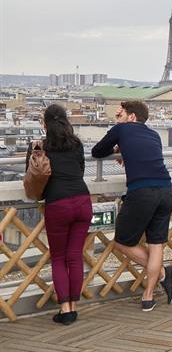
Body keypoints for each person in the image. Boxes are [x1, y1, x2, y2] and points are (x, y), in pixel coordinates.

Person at [92, 101, 172, 312]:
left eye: (122, 114)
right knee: (156, 243)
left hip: (142, 191)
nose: (119, 117)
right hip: (165, 189)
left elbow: (97, 151)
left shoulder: (122, 128)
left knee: (122, 240)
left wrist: (117, 130)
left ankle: (163, 274)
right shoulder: (154, 135)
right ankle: (148, 297)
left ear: (131, 117)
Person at [26, 104, 91, 325]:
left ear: (45, 124)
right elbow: (81, 170)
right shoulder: (77, 144)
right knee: (75, 256)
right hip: (83, 201)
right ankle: (74, 304)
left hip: (58, 204)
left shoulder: (39, 147)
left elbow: (33, 175)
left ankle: (65, 310)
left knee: (58, 258)